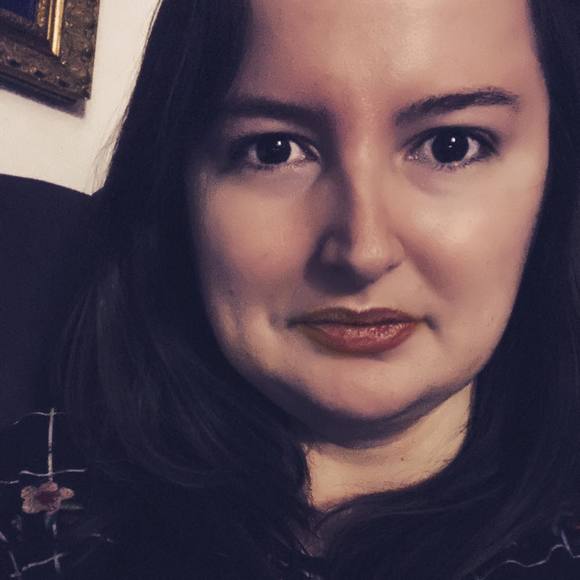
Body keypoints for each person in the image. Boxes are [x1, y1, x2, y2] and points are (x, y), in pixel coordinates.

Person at [1, 0, 580, 578]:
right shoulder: (30, 505)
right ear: (177, 189)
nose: (364, 251)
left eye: (451, 145)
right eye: (273, 150)